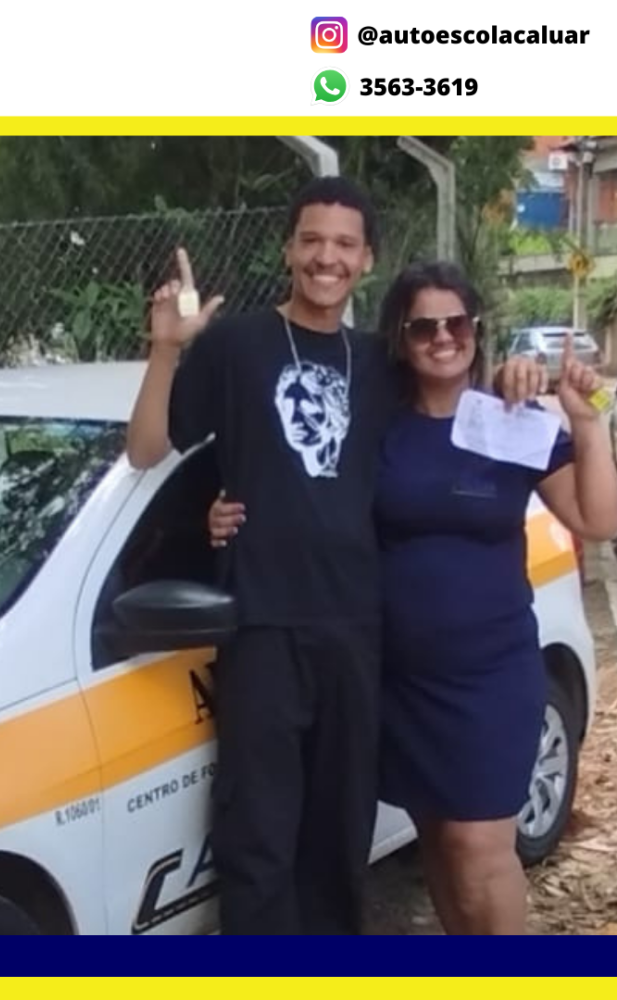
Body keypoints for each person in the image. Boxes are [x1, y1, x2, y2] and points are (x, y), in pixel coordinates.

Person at [125, 176, 544, 936]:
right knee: (258, 838)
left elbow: (452, 389)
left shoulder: (381, 362)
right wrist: (165, 350)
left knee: (339, 838)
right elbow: (147, 449)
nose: (328, 257)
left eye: (345, 244)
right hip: (263, 627)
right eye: (312, 240)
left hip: (361, 631)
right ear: (288, 249)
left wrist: (518, 375)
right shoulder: (235, 346)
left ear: (366, 259)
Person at [207, 260, 617, 935]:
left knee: (479, 847)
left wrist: (588, 421)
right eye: (424, 326)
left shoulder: (510, 420)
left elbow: (597, 519)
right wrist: (216, 510)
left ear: (476, 330)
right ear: (400, 336)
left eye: (456, 323)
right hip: (400, 677)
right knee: (441, 845)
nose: (442, 337)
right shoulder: (375, 427)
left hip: (490, 674)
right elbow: (295, 481)